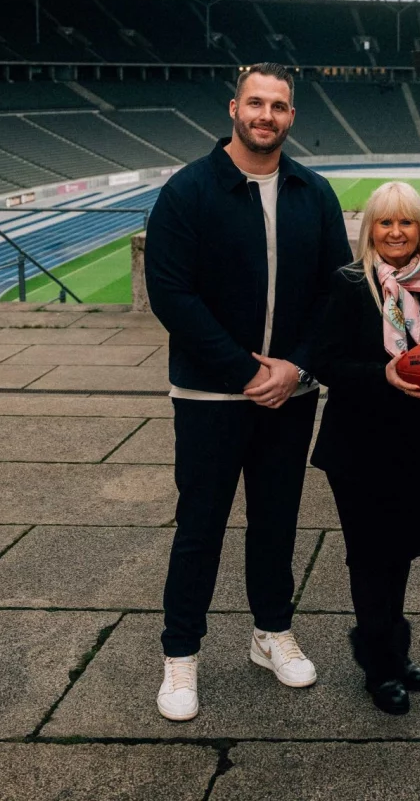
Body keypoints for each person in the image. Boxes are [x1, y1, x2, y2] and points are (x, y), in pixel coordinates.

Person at [144, 63, 352, 722]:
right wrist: (242, 370)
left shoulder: (313, 192)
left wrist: (296, 367)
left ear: (292, 116)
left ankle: (271, 632)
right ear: (234, 108)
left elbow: (337, 289)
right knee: (199, 528)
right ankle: (181, 655)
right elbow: (170, 292)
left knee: (276, 522)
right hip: (210, 395)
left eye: (279, 106)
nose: (267, 115)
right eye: (256, 103)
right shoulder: (188, 190)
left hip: (289, 394)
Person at [311, 181, 420, 715]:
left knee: (400, 554)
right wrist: (384, 375)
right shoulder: (350, 282)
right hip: (360, 444)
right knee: (370, 556)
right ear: (369, 229)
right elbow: (325, 361)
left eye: (406, 221)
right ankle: (379, 666)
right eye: (385, 222)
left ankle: (391, 648)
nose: (396, 232)